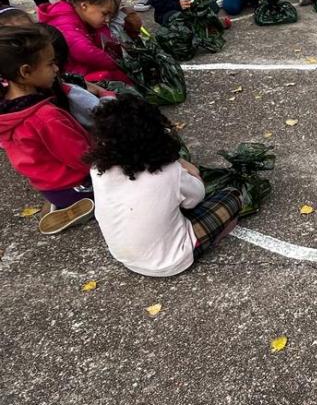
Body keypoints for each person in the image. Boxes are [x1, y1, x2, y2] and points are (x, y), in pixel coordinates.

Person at [86, 94, 243, 277]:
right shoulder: (169, 171)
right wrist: (183, 164)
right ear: (154, 133)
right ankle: (209, 239)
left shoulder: (98, 169)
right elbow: (197, 197)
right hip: (173, 261)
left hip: (126, 258)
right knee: (233, 196)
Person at [0, 25, 96, 234]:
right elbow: (83, 159)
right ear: (25, 72)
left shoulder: (7, 110)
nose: (56, 69)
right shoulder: (45, 116)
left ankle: (63, 204)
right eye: (50, 64)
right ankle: (84, 207)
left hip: (50, 187)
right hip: (73, 186)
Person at [36, 0, 131, 84]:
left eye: (109, 16)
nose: (107, 20)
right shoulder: (65, 22)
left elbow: (106, 39)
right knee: (115, 75)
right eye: (104, 13)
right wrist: (119, 63)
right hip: (69, 75)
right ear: (84, 6)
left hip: (77, 67)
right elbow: (85, 52)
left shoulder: (85, 18)